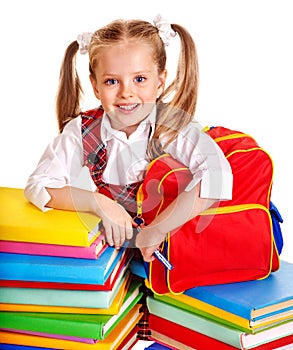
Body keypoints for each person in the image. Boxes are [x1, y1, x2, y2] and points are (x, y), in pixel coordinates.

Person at [24, 15, 233, 263]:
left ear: (160, 81)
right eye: (112, 81)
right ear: (95, 86)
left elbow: (217, 175)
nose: (126, 92)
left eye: (140, 79)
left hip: (169, 257)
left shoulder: (172, 128)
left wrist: (159, 228)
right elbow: (39, 186)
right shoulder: (82, 131)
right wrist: (98, 203)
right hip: (113, 261)